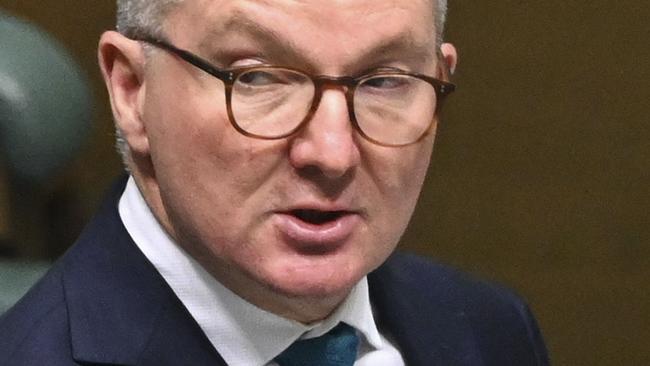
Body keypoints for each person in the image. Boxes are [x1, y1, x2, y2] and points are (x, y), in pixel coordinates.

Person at [0, 0, 550, 365]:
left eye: (386, 81)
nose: (332, 153)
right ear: (132, 90)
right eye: (258, 77)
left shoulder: (491, 332)